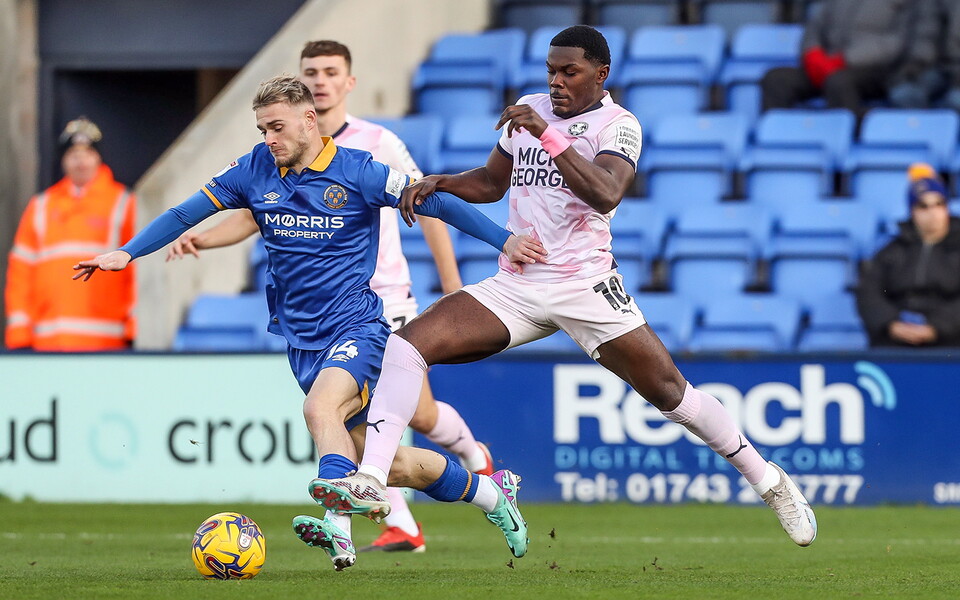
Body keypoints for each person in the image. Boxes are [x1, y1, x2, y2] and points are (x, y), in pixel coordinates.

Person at [311, 25, 818, 548]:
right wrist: (441, 181)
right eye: (551, 71)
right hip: (519, 283)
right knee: (408, 344)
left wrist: (548, 134)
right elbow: (491, 183)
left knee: (671, 394)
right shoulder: (532, 109)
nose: (556, 82)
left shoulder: (619, 126)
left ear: (601, 74)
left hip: (585, 284)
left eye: (569, 72)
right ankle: (370, 478)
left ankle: (769, 481)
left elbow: (604, 192)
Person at [73, 75, 546, 570]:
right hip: (301, 341)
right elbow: (183, 213)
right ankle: (493, 496)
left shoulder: (359, 171)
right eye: (262, 130)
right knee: (396, 465)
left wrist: (503, 241)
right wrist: (127, 253)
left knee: (321, 410)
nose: (269, 139)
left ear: (309, 120)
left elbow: (435, 200)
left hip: (357, 328)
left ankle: (336, 527)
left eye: (276, 127)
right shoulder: (254, 170)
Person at [165, 40, 494, 554]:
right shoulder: (279, 152)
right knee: (373, 438)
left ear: (347, 83)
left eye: (330, 71)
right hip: (319, 313)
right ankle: (417, 514)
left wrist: (451, 284)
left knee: (408, 417)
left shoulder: (375, 145)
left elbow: (425, 202)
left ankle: (467, 465)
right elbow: (256, 212)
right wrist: (202, 237)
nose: (320, 79)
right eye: (311, 71)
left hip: (384, 297)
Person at [5, 117, 136, 351]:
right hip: (48, 342)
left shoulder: (123, 203)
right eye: (73, 154)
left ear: (98, 157)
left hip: (107, 343)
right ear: (63, 160)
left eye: (87, 152)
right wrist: (19, 329)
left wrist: (135, 327)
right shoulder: (41, 205)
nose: (80, 160)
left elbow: (138, 271)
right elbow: (21, 271)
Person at [761, 0, 931, 126]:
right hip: (826, 65)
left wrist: (845, 59)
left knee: (839, 82)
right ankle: (778, 143)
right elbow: (814, 24)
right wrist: (812, 53)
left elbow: (897, 42)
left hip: (876, 69)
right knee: (776, 79)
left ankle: (843, 146)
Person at [856, 164, 960, 347]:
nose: (933, 213)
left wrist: (937, 327)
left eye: (939, 204)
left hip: (949, 342)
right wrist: (891, 324)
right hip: (896, 340)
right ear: (912, 212)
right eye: (923, 206)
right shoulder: (892, 250)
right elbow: (868, 293)